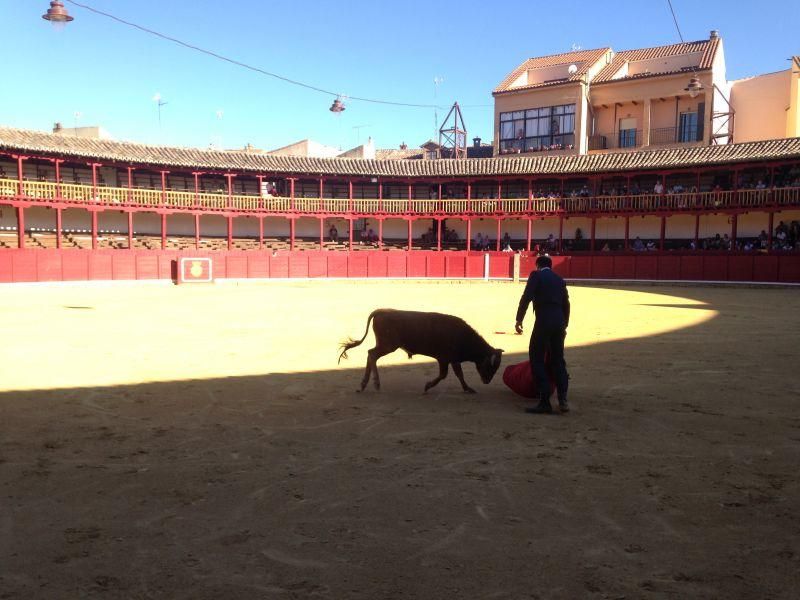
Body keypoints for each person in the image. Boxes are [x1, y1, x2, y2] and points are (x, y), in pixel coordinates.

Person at [514, 255, 571, 414]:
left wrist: (519, 319)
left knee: (536, 357)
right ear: (551, 267)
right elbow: (566, 304)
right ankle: (562, 398)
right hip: (559, 323)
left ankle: (545, 400)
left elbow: (526, 298)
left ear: (537, 265)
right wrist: (564, 324)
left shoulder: (536, 275)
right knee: (558, 359)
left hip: (543, 322)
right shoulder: (559, 280)